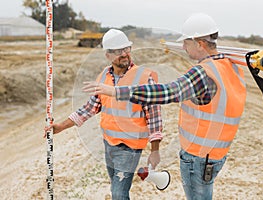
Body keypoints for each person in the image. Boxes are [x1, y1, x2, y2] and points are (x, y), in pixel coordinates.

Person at [83, 13, 247, 200]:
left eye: (186, 42)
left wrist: (116, 92)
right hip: (217, 153)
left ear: (199, 43)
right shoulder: (230, 66)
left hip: (198, 157)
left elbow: (168, 92)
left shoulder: (202, 72)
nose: (183, 47)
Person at [45, 29, 163, 200]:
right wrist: (61, 127)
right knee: (116, 188)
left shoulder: (143, 77)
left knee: (118, 193)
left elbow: (154, 116)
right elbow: (89, 108)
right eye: (118, 51)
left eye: (126, 49)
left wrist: (155, 150)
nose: (124, 54)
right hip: (109, 144)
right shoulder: (104, 77)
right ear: (108, 55)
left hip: (130, 147)